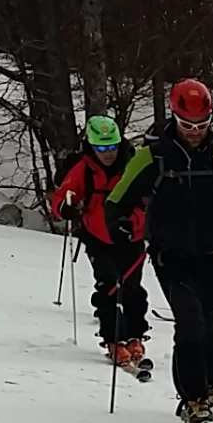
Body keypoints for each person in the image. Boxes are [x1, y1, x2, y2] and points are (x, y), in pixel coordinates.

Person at [104, 79, 213, 423]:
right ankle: (192, 396)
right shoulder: (153, 157)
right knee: (190, 320)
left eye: (201, 124)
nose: (195, 132)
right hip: (170, 255)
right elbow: (117, 200)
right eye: (187, 125)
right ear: (175, 117)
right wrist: (116, 223)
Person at [49, 115, 149, 369]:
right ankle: (113, 339)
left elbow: (150, 198)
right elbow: (64, 195)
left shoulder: (135, 165)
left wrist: (136, 223)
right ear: (92, 146)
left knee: (132, 287)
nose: (108, 153)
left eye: (112, 146)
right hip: (98, 236)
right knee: (108, 286)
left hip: (131, 236)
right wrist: (65, 208)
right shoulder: (84, 168)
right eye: (101, 147)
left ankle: (135, 335)